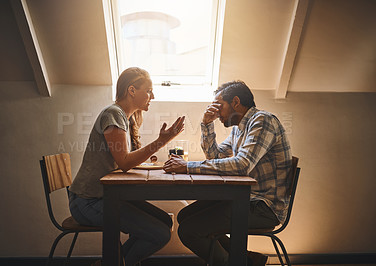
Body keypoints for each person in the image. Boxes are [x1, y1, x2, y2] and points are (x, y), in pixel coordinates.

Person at [164, 80, 292, 266]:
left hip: (265, 206)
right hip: (247, 198)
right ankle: (245, 259)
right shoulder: (239, 129)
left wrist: (187, 166)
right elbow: (214, 156)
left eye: (219, 106)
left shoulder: (263, 121)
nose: (216, 113)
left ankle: (238, 262)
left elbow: (241, 165)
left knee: (189, 230)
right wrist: (206, 124)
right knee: (185, 217)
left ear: (236, 102)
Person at [69, 67, 185, 266]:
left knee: (165, 223)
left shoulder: (126, 117)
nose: (152, 95)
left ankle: (111, 262)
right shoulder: (113, 114)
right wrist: (161, 141)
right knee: (160, 234)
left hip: (106, 197)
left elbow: (124, 161)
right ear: (132, 90)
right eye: (148, 90)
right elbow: (124, 162)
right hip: (88, 202)